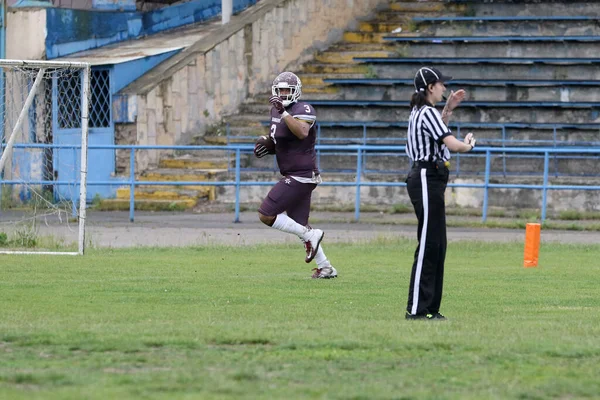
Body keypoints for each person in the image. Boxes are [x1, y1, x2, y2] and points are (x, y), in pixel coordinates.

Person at [404, 67, 476, 320]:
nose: (445, 88)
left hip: (430, 177)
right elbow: (451, 143)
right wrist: (468, 145)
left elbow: (437, 130)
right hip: (426, 176)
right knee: (427, 244)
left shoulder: (423, 112)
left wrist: (449, 110)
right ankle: (416, 309)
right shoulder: (425, 112)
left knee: (437, 244)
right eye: (441, 84)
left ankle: (430, 308)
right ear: (430, 87)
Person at [253, 71, 337, 279]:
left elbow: (301, 132)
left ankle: (311, 235)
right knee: (299, 224)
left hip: (302, 174)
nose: (282, 94)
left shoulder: (303, 109)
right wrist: (267, 146)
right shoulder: (275, 111)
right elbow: (282, 141)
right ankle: (326, 267)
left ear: (296, 92)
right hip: (294, 172)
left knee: (266, 213)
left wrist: (284, 113)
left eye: (286, 90)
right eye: (279, 90)